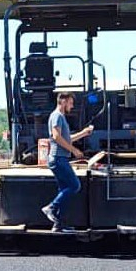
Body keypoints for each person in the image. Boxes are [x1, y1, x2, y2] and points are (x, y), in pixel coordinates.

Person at [41, 92, 93, 232]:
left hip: (59, 158)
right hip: (58, 158)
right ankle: (51, 207)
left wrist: (83, 133)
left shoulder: (61, 117)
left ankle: (58, 224)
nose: (72, 106)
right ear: (63, 102)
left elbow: (66, 138)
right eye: (70, 102)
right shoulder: (57, 116)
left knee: (64, 189)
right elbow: (57, 137)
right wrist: (74, 150)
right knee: (75, 185)